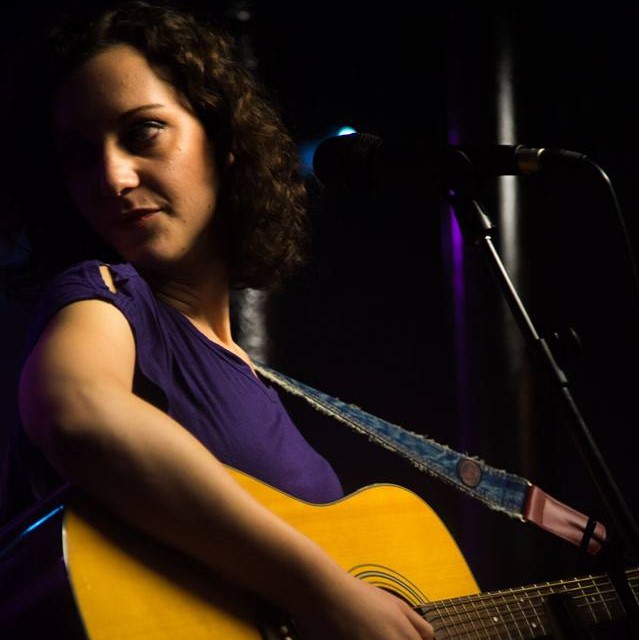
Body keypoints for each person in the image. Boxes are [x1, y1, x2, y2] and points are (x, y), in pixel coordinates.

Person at [1, 1, 435, 638]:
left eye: (142, 131)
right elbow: (74, 410)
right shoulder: (102, 296)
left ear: (225, 141)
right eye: (76, 154)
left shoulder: (246, 377)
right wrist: (321, 588)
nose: (112, 176)